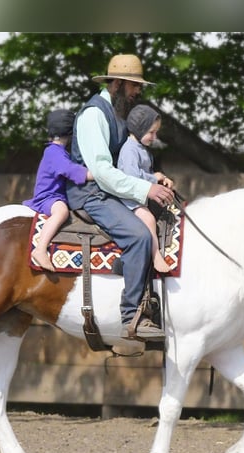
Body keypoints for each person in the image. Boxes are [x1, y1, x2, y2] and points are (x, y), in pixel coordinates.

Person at [66, 54, 175, 341]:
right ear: (117, 84)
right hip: (91, 195)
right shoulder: (93, 114)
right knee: (139, 236)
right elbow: (101, 171)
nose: (138, 91)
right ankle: (133, 316)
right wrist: (146, 189)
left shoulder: (117, 113)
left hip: (110, 191)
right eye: (134, 86)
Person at [23, 109, 92, 271]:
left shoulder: (58, 151)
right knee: (61, 212)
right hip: (48, 197)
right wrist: (93, 174)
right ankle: (40, 249)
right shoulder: (54, 152)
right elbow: (67, 170)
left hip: (55, 195)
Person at [117, 104, 174, 274]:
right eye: (151, 132)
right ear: (139, 129)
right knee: (148, 219)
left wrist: (162, 180)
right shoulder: (129, 150)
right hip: (130, 199)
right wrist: (154, 178)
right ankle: (156, 256)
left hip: (141, 194)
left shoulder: (142, 149)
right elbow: (131, 176)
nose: (154, 137)